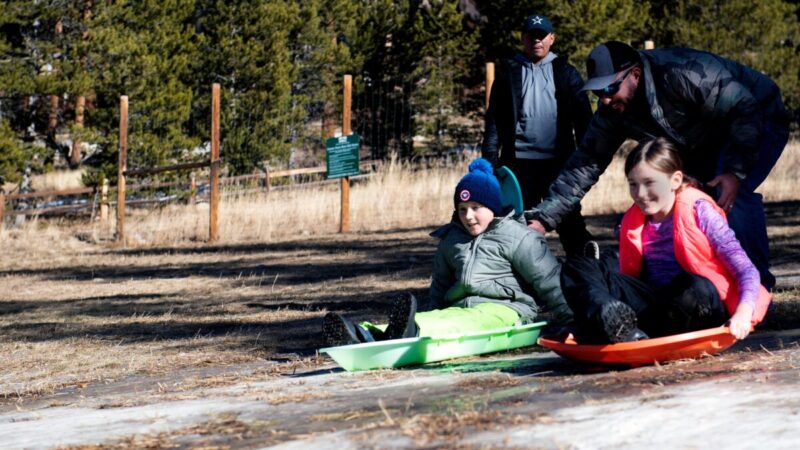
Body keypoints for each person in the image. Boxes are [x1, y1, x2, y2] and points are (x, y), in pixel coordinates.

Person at [527, 41, 790, 291]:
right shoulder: (612, 112)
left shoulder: (682, 73)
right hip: (703, 140)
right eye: (597, 92)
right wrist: (543, 219)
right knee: (676, 202)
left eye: (609, 89)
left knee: (730, 195)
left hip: (759, 116)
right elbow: (583, 165)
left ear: (636, 75)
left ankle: (756, 290)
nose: (604, 100)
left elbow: (744, 109)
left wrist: (734, 171)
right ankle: (703, 285)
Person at [323, 158, 574, 346]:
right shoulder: (452, 240)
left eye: (476, 207)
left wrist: (572, 324)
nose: (468, 216)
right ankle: (366, 333)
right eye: (462, 209)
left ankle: (413, 330)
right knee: (444, 319)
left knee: (459, 323)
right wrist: (433, 310)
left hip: (506, 311)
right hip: (459, 310)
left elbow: (550, 281)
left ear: (493, 207)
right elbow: (440, 287)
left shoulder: (518, 237)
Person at [560, 138, 771, 344]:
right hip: (654, 304)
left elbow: (746, 270)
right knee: (578, 265)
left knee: (695, 288)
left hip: (696, 304)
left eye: (649, 183)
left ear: (675, 180)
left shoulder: (701, 211)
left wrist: (743, 313)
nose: (640, 194)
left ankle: (601, 328)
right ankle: (611, 320)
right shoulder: (632, 220)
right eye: (633, 184)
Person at [482, 14, 593, 256]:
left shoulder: (566, 73)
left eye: (542, 36)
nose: (537, 41)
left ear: (552, 38)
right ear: (523, 38)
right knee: (519, 226)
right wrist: (490, 163)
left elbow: (584, 119)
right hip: (519, 165)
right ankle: (524, 284)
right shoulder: (508, 73)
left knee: (569, 221)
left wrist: (584, 159)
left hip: (559, 163)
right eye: (532, 36)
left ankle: (587, 272)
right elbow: (494, 122)